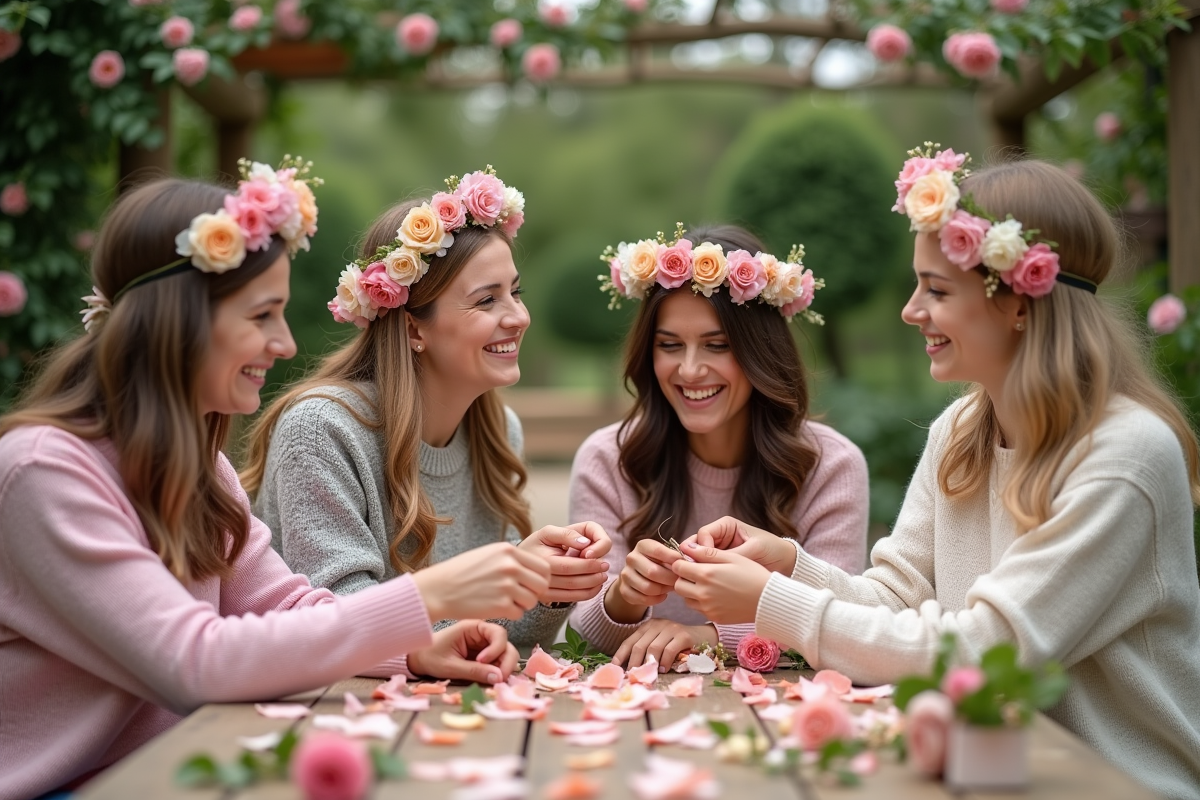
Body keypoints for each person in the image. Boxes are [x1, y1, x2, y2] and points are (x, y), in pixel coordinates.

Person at [0, 165, 557, 800]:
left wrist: (414, 652)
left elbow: (284, 606)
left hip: (182, 768)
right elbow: (196, 664)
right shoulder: (42, 472)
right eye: (263, 315)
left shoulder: (196, 463)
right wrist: (426, 598)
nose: (287, 344)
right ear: (176, 321)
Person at [670, 151, 1200, 799]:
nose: (911, 310)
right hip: (984, 771)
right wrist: (787, 564)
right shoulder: (962, 429)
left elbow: (984, 655)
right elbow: (898, 596)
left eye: (938, 290)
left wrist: (767, 602)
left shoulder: (1124, 455)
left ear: (1021, 304)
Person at [241, 168, 610, 648]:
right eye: (486, 300)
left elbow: (501, 635)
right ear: (415, 329)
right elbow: (341, 621)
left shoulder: (498, 431)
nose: (519, 317)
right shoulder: (322, 432)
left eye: (514, 292)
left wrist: (544, 586)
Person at [568, 224, 869, 670]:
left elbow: (842, 623)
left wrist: (705, 637)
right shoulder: (607, 459)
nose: (690, 370)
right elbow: (580, 639)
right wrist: (623, 598)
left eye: (717, 345)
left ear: (759, 351)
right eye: (670, 345)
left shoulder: (831, 466)